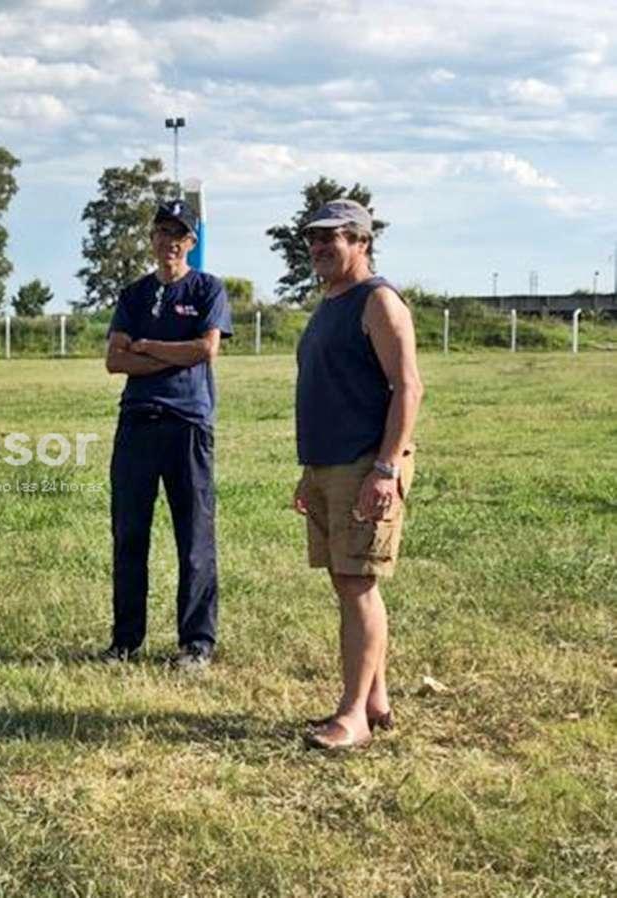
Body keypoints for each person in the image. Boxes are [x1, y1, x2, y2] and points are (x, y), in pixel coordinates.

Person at [294, 199, 424, 751]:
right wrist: (310, 474)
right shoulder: (330, 303)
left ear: (362, 242)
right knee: (347, 581)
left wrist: (386, 468)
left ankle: (352, 718)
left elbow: (408, 388)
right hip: (329, 466)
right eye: (314, 238)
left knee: (358, 584)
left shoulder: (378, 301)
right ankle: (374, 700)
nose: (320, 247)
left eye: (333, 237)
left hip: (366, 464)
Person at [103, 200, 232, 670]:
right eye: (162, 232)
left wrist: (148, 347)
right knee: (129, 534)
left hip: (188, 423)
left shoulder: (207, 289)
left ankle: (196, 643)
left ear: (191, 242)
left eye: (178, 234)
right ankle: (125, 641)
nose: (169, 242)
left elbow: (205, 350)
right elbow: (114, 361)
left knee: (194, 537)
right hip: (138, 422)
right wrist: (172, 353)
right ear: (152, 238)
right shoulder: (134, 295)